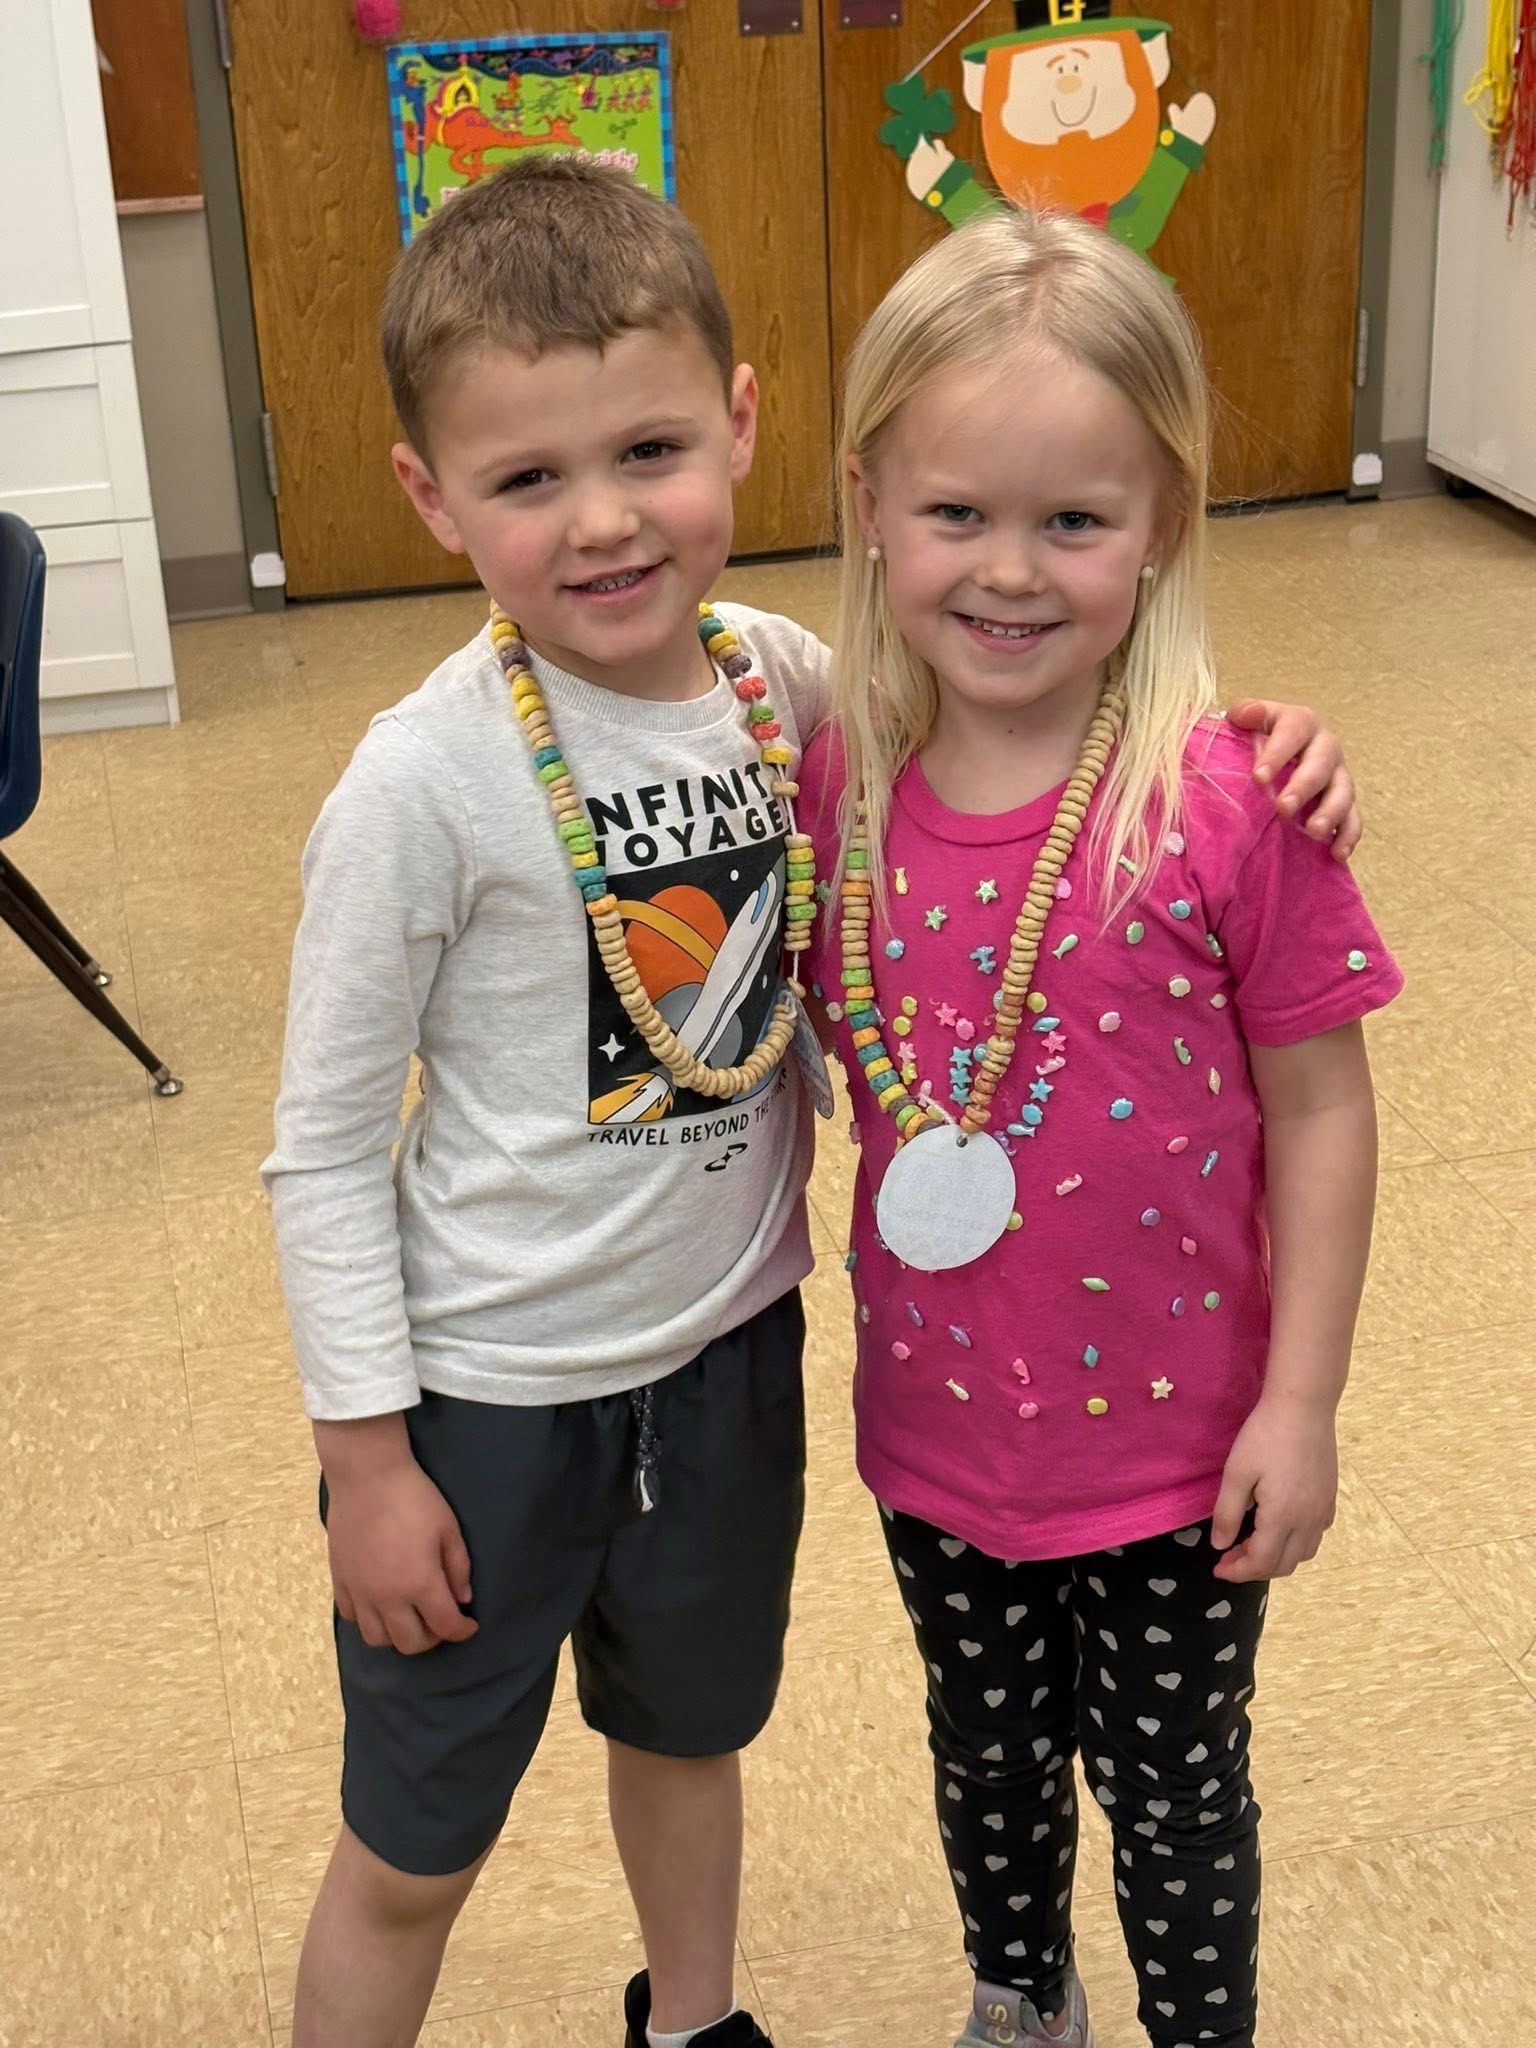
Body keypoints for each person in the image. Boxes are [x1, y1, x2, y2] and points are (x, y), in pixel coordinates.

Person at [262, 157, 1362, 2048]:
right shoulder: (419, 785)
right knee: (417, 1833)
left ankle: (693, 2022)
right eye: (527, 480)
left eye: (651, 452)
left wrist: (1274, 735)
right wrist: (365, 1461)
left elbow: (1039, 720)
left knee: (692, 1733)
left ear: (751, 429)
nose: (603, 524)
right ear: (432, 498)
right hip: (495, 1398)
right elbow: (320, 1144)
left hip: (734, 1362)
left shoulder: (793, 699)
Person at [798, 206, 1401, 2048]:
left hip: (1178, 1455)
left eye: (1077, 520)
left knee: (1175, 1788)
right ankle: (1021, 1999)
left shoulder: (1231, 802)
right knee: (983, 1767)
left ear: (1165, 532)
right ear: (870, 508)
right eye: (957, 513)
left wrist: (1301, 1404)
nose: (1010, 571)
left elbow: (1323, 1110)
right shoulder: (831, 778)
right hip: (939, 1442)